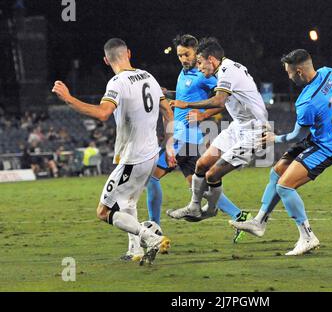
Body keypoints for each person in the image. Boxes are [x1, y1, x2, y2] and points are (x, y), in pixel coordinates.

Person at [52, 38, 176, 265]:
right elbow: (168, 111)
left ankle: (150, 237)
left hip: (133, 159)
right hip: (150, 155)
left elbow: (102, 113)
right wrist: (168, 147)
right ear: (129, 52)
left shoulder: (117, 83)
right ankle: (135, 250)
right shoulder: (149, 76)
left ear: (106, 60)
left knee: (103, 211)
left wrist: (69, 99)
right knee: (128, 202)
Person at [230, 49, 332, 256]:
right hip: (321, 138)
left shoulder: (306, 101)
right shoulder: (330, 73)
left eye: (289, 73)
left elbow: (294, 136)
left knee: (284, 187)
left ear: (299, 71)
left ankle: (307, 237)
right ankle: (259, 222)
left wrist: (275, 139)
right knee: (277, 171)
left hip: (327, 148)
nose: (289, 77)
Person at [142, 34, 250, 251]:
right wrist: (169, 93)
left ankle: (155, 231)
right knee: (196, 186)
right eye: (179, 55)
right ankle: (240, 215)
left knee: (151, 178)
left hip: (187, 138)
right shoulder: (185, 73)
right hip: (184, 137)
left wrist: (202, 116)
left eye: (187, 54)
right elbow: (187, 95)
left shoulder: (206, 75)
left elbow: (224, 101)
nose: (182, 58)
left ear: (197, 53)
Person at [167, 37, 268, 223]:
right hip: (238, 125)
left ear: (211, 60)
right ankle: (195, 207)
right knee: (202, 165)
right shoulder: (225, 68)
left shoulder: (227, 71)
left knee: (212, 174)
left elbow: (219, 101)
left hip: (254, 131)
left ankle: (217, 210)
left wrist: (187, 105)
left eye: (200, 62)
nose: (199, 67)